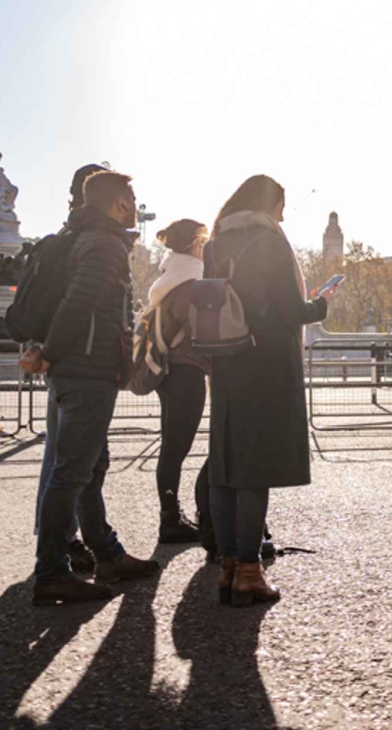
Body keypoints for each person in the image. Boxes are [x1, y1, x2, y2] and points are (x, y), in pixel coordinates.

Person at [25, 170, 159, 605]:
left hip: (77, 368)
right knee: (72, 474)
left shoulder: (81, 237)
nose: (136, 206)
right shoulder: (104, 245)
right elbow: (79, 304)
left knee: (89, 468)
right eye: (133, 199)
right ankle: (51, 573)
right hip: (87, 370)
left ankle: (107, 553)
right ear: (119, 203)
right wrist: (50, 351)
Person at [205, 175, 331, 607]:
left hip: (224, 360)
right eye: (282, 204)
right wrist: (320, 304)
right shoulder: (269, 241)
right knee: (254, 469)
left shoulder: (216, 242)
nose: (283, 213)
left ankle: (225, 567)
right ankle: (249, 570)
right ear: (268, 203)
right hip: (265, 363)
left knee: (224, 465)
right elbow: (289, 310)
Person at [32, 163, 108, 578]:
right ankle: (60, 547)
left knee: (70, 458)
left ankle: (86, 543)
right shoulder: (90, 241)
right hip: (78, 361)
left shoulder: (66, 236)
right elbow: (79, 306)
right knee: (71, 462)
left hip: (61, 360)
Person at [147, 218, 211, 545]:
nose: (206, 245)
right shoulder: (191, 281)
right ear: (192, 244)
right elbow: (200, 328)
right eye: (203, 240)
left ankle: (169, 515)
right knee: (176, 447)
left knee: (171, 446)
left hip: (170, 370)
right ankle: (170, 519)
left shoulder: (170, 276)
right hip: (187, 369)